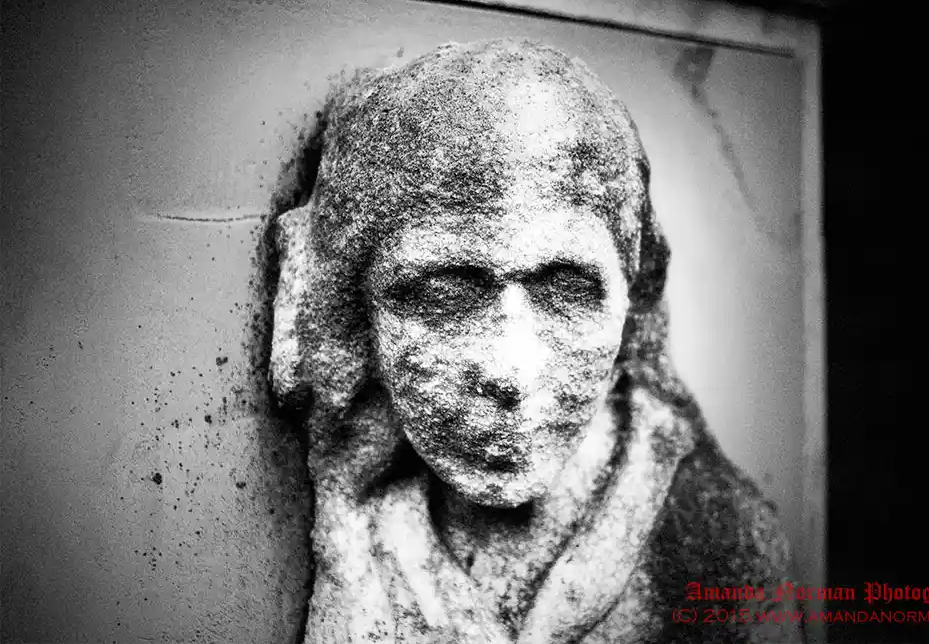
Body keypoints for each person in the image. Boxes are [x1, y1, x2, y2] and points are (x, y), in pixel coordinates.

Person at [269, 38, 804, 643]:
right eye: (446, 296)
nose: (512, 370)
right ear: (353, 309)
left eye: (567, 293)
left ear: (630, 299)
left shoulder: (716, 544)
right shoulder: (374, 513)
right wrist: (346, 533)